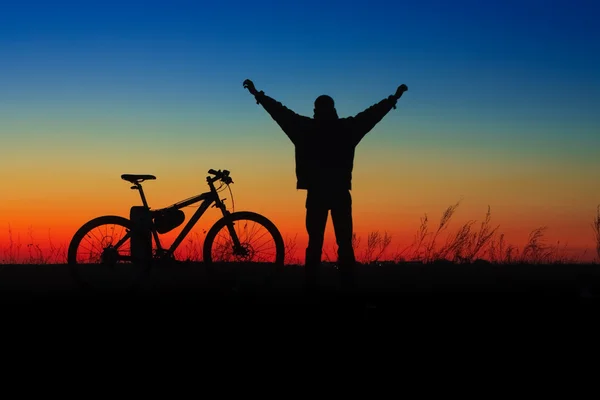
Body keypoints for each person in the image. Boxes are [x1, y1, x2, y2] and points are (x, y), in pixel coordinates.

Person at [243, 79, 408, 292]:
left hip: (317, 194)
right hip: (339, 193)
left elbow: (279, 112)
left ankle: (311, 288)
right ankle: (348, 289)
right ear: (333, 109)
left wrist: (258, 95)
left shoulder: (304, 129)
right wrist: (393, 99)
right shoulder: (346, 129)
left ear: (315, 110)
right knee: (344, 244)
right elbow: (371, 116)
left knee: (315, 244)